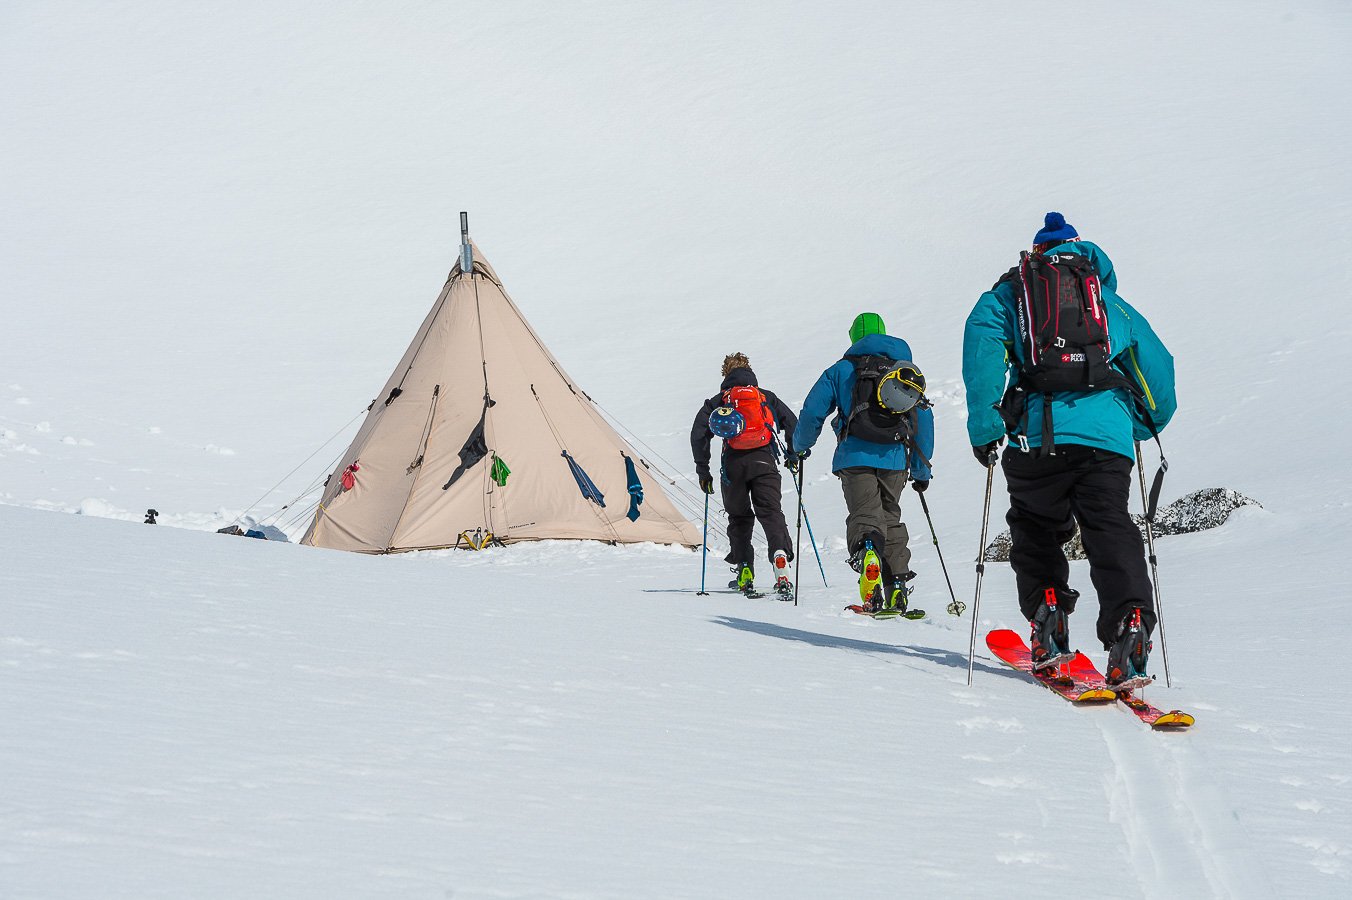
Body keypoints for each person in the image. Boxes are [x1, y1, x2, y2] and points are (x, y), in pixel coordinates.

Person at [962, 212, 1176, 685]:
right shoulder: (1112, 305)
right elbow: (1160, 372)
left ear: (1037, 253)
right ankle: (1130, 625)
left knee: (1035, 524)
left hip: (1038, 437)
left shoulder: (1011, 295)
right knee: (1110, 526)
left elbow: (982, 352)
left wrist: (984, 427)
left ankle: (1048, 613)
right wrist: (1139, 427)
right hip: (1108, 442)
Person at [792, 313, 935, 614]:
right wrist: (922, 471)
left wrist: (800, 447)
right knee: (890, 515)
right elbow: (923, 419)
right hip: (895, 458)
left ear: (854, 337)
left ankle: (868, 554)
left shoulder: (842, 370)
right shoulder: (903, 370)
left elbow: (812, 411)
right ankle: (897, 585)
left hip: (854, 456)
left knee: (865, 515)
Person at [690, 353, 800, 597]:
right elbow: (792, 423)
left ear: (725, 374)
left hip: (733, 465)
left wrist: (703, 470)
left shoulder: (720, 401)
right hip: (765, 462)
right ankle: (780, 557)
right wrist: (793, 455)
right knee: (771, 512)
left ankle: (745, 567)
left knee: (739, 518)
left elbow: (699, 434)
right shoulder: (765, 397)